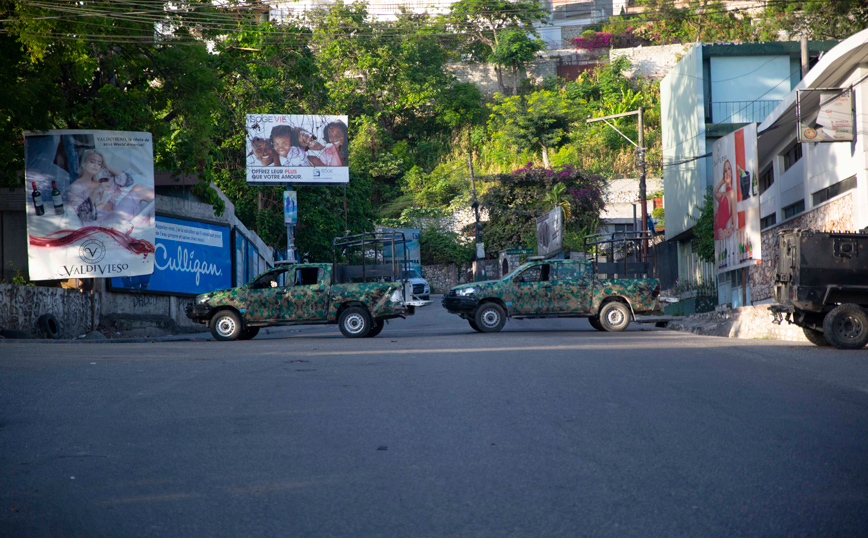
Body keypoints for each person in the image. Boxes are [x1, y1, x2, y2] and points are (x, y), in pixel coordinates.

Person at [68, 149, 154, 229]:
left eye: (99, 164)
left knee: (141, 189)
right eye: (92, 162)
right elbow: (83, 214)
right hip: (103, 225)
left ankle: (155, 223)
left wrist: (108, 168)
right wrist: (95, 192)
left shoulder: (100, 181)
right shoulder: (76, 186)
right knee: (140, 189)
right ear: (84, 163)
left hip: (114, 216)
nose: (95, 166)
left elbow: (128, 181)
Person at [714, 159, 737, 240]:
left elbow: (734, 225)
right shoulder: (722, 194)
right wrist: (722, 181)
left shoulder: (732, 193)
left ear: (731, 172)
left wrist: (726, 232)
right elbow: (715, 193)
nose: (727, 172)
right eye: (725, 170)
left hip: (725, 237)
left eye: (729, 169)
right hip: (717, 235)